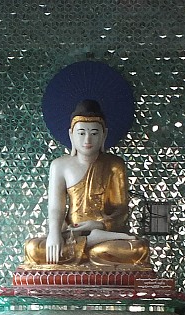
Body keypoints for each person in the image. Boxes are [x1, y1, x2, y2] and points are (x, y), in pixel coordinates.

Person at [23, 99, 149, 267]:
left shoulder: (114, 165)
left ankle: (92, 243)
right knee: (32, 248)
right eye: (81, 133)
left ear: (104, 135)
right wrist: (54, 234)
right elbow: (56, 208)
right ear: (71, 135)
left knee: (138, 250)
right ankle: (89, 244)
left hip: (105, 236)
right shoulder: (60, 165)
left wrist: (100, 224)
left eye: (94, 133)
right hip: (71, 234)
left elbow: (122, 211)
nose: (87, 139)